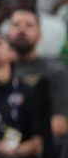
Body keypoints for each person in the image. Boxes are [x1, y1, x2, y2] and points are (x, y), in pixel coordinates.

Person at [7, 9, 68, 138]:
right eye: (16, 25)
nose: (21, 29)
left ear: (39, 34)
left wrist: (25, 145)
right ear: (8, 33)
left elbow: (61, 123)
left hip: (40, 143)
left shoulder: (56, 72)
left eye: (29, 25)